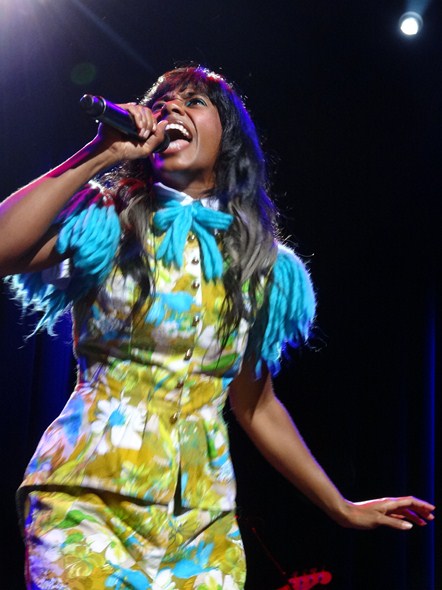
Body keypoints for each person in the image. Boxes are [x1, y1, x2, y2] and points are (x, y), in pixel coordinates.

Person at [0, 66, 434, 590]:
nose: (171, 108)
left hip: (201, 528)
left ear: (227, 138)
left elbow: (256, 405)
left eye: (194, 101)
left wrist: (339, 507)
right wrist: (100, 153)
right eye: (161, 101)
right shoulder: (108, 219)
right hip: (87, 500)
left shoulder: (257, 265)